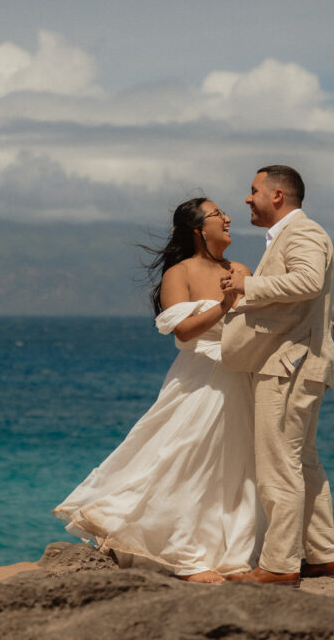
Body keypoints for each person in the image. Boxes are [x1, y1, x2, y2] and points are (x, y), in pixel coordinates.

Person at [53, 197, 260, 584]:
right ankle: (185, 555)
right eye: (218, 214)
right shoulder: (178, 274)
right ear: (198, 229)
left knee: (234, 467)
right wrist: (225, 304)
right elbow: (183, 331)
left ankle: (231, 555)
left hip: (240, 377)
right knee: (186, 459)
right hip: (199, 379)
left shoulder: (241, 269)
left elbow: (258, 321)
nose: (228, 218)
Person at [220, 164, 334, 587]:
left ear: (277, 196)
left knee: (280, 466)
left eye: (253, 190)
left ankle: (278, 566)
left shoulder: (303, 232)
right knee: (303, 462)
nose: (246, 199)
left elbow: (308, 280)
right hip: (302, 362)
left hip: (287, 366)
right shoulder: (295, 235)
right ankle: (323, 556)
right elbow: (309, 293)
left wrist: (247, 287)